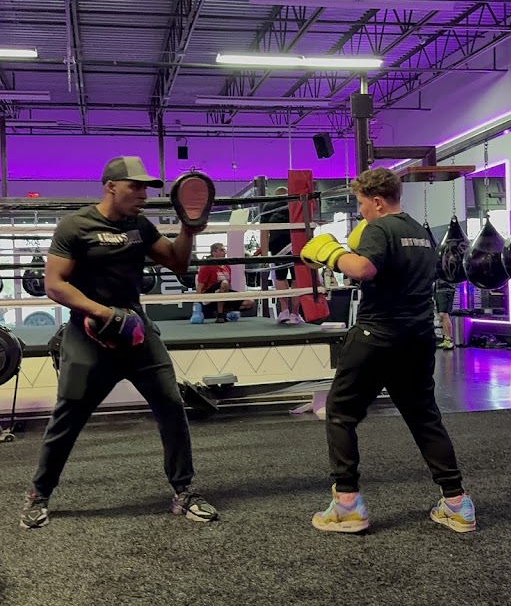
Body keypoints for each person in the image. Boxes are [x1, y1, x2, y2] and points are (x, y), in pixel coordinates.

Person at [20, 156, 219, 530]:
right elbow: (54, 284)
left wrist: (189, 230)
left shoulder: (139, 226)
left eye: (147, 188)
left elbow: (177, 263)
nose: (144, 194)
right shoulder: (76, 226)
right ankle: (39, 494)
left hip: (137, 334)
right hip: (88, 336)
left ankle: (184, 491)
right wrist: (104, 313)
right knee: (68, 417)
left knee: (171, 406)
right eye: (136, 186)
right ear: (111, 186)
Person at [299, 167, 476, 536]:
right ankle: (457, 503)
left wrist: (331, 252)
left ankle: (347, 505)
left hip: (376, 337)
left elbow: (363, 269)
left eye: (362, 204)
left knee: (340, 414)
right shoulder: (421, 233)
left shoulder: (379, 228)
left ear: (377, 202)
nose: (361, 211)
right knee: (424, 417)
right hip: (417, 337)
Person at [259, 186, 302, 325]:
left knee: (280, 276)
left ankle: (284, 311)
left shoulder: (268, 206)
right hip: (295, 241)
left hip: (277, 242)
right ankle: (295, 313)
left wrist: (264, 255)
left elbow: (264, 232)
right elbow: (305, 225)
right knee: (296, 277)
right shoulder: (295, 202)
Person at [193, 242, 255, 324]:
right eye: (222, 250)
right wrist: (197, 306)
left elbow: (228, 286)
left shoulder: (227, 267)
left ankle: (226, 312)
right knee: (224, 283)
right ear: (214, 253)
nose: (225, 252)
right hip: (209, 298)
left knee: (250, 302)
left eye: (224, 250)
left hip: (223, 296)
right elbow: (199, 288)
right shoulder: (206, 266)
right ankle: (220, 314)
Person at [435, 276, 456, 350]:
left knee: (443, 314)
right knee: (442, 315)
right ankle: (446, 339)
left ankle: (449, 340)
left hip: (446, 289)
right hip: (439, 289)